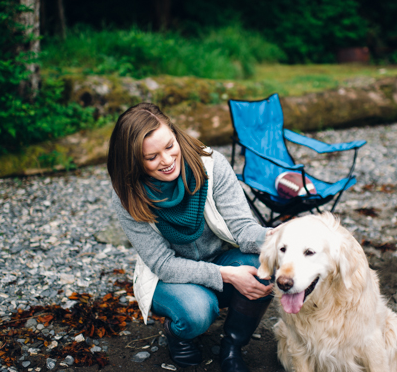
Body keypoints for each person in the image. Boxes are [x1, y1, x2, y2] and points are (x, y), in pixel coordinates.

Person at [107, 103, 274, 372]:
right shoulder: (127, 194)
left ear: (175, 134)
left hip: (221, 255)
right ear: (133, 161)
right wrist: (226, 276)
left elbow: (243, 228)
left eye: (170, 146)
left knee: (266, 264)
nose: (167, 160)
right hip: (170, 276)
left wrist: (280, 239)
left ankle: (232, 345)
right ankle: (178, 333)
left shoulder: (211, 164)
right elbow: (163, 264)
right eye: (152, 157)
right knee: (196, 312)